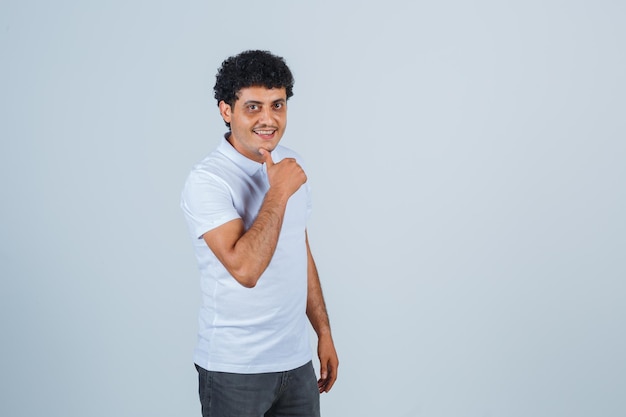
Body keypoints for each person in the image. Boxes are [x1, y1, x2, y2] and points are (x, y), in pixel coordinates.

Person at [181, 50, 338, 417]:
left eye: (277, 105)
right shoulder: (208, 180)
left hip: (296, 365)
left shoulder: (289, 163)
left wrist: (324, 332)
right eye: (253, 107)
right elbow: (246, 270)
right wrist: (279, 192)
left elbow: (299, 251)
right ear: (226, 111)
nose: (268, 119)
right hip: (235, 369)